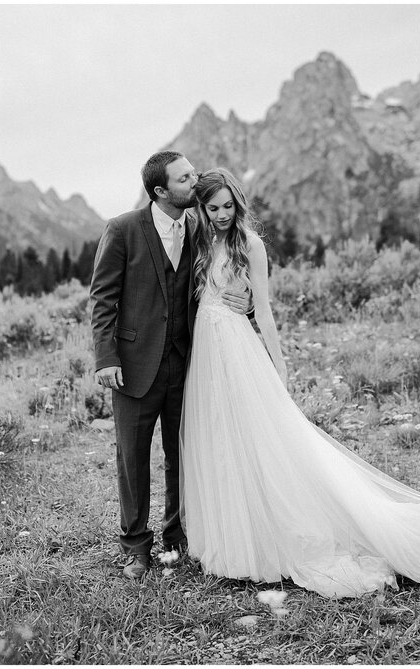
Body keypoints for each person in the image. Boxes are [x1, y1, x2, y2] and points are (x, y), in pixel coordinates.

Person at [180, 168, 420, 598]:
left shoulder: (249, 244)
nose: (222, 215)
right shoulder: (197, 240)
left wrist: (278, 365)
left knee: (266, 438)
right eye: (213, 207)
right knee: (223, 437)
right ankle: (233, 531)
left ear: (237, 204)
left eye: (228, 206)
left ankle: (281, 530)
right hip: (206, 353)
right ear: (200, 208)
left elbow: (267, 308)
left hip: (239, 350)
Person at [89, 151, 250, 580]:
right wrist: (106, 358)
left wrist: (246, 301)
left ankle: (176, 535)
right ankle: (136, 545)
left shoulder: (200, 226)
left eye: (193, 173)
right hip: (133, 365)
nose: (194, 181)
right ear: (161, 190)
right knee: (133, 457)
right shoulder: (122, 229)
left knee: (182, 452)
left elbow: (223, 276)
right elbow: (103, 298)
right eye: (185, 178)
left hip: (187, 361)